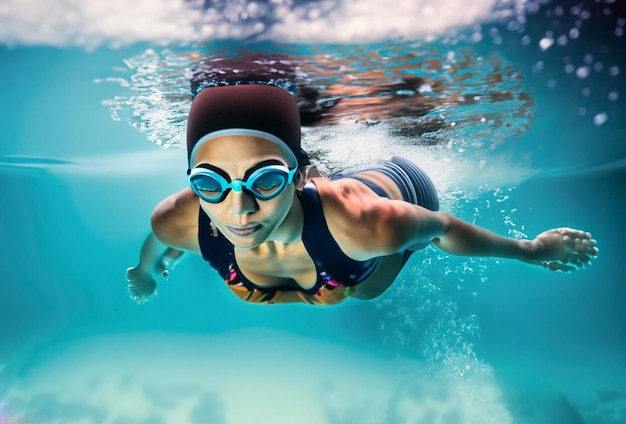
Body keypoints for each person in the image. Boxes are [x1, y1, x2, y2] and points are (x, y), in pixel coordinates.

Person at [126, 83, 598, 305]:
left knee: (367, 290)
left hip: (396, 181)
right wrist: (148, 271)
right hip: (318, 222)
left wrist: (530, 250)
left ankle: (322, 176)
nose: (238, 207)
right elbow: (153, 246)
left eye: (265, 179)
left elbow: (444, 228)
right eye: (209, 183)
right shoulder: (178, 219)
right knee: (352, 287)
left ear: (295, 176)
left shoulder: (365, 224)